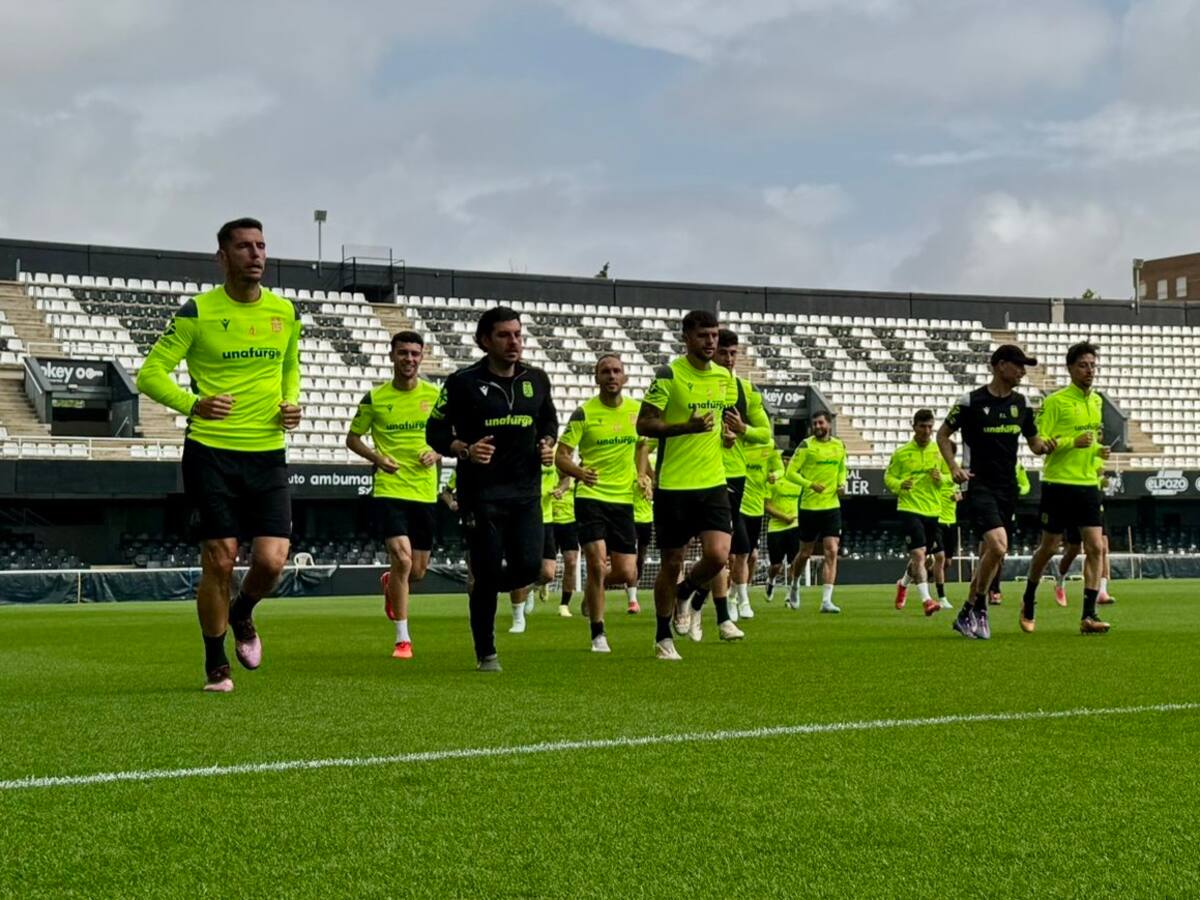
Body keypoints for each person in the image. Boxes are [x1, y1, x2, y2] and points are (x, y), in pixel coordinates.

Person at [136, 217, 301, 693]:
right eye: (245, 246)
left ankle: (242, 612)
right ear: (222, 257)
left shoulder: (285, 311)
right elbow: (150, 374)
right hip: (210, 452)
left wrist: (290, 402)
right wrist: (194, 404)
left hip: (267, 452)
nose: (256, 254)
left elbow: (290, 365)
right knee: (220, 558)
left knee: (272, 561)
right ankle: (216, 663)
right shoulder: (197, 312)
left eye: (261, 245)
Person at [426, 306, 557, 671]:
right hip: (481, 495)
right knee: (485, 568)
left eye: (517, 334)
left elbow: (548, 420)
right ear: (485, 340)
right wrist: (464, 449)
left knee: (531, 567)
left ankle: (483, 585)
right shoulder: (462, 382)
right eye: (504, 335)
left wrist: (547, 443)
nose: (514, 342)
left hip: (526, 493)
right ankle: (486, 652)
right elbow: (435, 432)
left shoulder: (537, 379)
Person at [637, 309, 740, 660]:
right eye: (702, 336)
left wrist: (728, 435)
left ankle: (686, 591)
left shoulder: (724, 377)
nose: (710, 342)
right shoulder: (669, 375)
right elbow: (644, 424)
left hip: (713, 481)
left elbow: (721, 423)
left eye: (714, 335)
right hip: (674, 485)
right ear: (686, 338)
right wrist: (685, 427)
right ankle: (662, 635)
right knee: (671, 562)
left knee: (718, 555)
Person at [938, 344, 1053, 641]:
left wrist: (1050, 446)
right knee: (999, 547)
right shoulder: (970, 401)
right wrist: (953, 467)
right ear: (1001, 365)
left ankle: (968, 610)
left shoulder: (1021, 404)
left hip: (1007, 487)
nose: (1023, 372)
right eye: (1019, 365)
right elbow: (942, 435)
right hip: (978, 484)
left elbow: (1035, 444)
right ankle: (979, 607)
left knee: (991, 553)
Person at [346, 331, 440, 659]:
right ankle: (403, 639)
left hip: (425, 492)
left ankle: (391, 583)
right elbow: (352, 438)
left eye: (415, 353)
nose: (409, 359)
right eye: (403, 353)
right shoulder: (375, 398)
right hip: (390, 488)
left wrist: (436, 452)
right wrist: (377, 458)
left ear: (422, 357)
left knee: (417, 571)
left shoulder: (436, 396)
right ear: (392, 356)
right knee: (402, 558)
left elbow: (453, 435)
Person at [556, 354, 649, 652]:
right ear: (596, 378)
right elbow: (561, 456)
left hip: (623, 500)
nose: (611, 376)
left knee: (626, 572)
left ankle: (591, 593)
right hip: (591, 497)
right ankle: (598, 633)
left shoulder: (637, 411)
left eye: (616, 371)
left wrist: (642, 474)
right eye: (605, 371)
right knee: (596, 563)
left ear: (625, 377)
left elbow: (642, 445)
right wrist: (579, 472)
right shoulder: (584, 413)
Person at [1019, 342, 1111, 635]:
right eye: (1083, 365)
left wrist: (1097, 451)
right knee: (1049, 547)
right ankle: (1028, 598)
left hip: (1087, 484)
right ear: (1070, 368)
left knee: (1095, 547)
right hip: (1058, 484)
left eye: (1093, 365)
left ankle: (1088, 615)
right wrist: (1073, 442)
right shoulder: (1055, 402)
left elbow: (1089, 441)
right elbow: (1040, 444)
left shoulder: (1096, 401)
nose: (1089, 371)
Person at [686, 329, 772, 626]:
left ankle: (711, 604)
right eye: (723, 352)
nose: (729, 358)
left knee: (728, 551)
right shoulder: (700, 386)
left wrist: (742, 429)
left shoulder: (746, 391)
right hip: (700, 473)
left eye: (733, 353)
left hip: (733, 476)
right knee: (706, 552)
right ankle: (694, 599)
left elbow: (765, 434)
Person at [783, 410, 847, 613]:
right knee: (805, 553)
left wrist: (841, 483)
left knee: (832, 550)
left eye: (820, 423)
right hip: (809, 507)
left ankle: (826, 601)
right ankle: (794, 585)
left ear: (828, 424)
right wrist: (810, 484)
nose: (817, 426)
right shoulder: (806, 445)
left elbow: (842, 468)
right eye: (815, 423)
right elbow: (790, 473)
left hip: (831, 506)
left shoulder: (838, 445)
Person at [884, 410, 946, 617]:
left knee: (924, 559)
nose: (926, 431)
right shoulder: (901, 453)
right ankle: (927, 600)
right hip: (909, 508)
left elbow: (950, 477)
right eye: (922, 426)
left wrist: (941, 478)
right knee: (919, 554)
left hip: (933, 509)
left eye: (930, 427)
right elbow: (888, 477)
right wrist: (900, 484)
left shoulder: (939, 451)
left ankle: (903, 584)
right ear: (914, 426)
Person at [1054, 459, 1117, 606]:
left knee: (1101, 548)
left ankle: (1102, 591)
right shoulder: (1078, 456)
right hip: (1075, 503)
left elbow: (1100, 479)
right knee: (1073, 550)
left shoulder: (1097, 456)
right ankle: (1060, 581)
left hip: (1095, 506)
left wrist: (1103, 481)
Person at [985, 462, 1031, 605]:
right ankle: (983, 589)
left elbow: (1026, 485)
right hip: (988, 507)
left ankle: (993, 588)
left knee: (1000, 554)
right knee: (987, 551)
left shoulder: (1017, 465)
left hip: (1007, 511)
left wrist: (1018, 489)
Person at [740, 442, 780, 604]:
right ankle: (739, 597)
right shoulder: (739, 443)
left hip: (755, 511)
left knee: (752, 556)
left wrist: (775, 475)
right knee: (737, 555)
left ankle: (743, 588)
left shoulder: (768, 447)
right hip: (738, 507)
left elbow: (779, 469)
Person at [764, 459, 803, 599]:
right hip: (776, 528)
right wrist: (783, 517)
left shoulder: (799, 481)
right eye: (785, 459)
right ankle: (771, 581)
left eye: (790, 459)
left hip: (794, 526)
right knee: (776, 565)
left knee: (794, 563)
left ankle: (790, 593)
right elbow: (766, 505)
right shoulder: (773, 480)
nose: (787, 462)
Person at [629, 448, 656, 615]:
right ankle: (632, 599)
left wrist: (650, 489)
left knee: (641, 557)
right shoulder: (627, 467)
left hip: (646, 518)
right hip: (629, 518)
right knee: (631, 558)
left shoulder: (650, 468)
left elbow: (656, 485)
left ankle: (634, 585)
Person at [551, 479, 580, 616]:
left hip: (570, 523)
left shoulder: (576, 474)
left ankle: (564, 604)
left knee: (571, 562)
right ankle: (540, 584)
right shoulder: (548, 471)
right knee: (547, 569)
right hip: (549, 522)